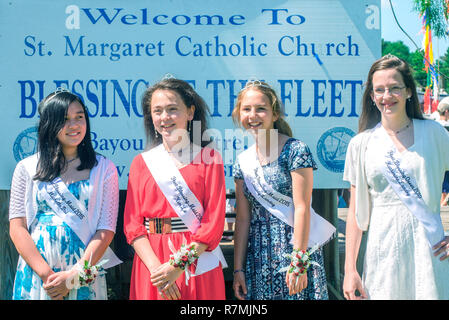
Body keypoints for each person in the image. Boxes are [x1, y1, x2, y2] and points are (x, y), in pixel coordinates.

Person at [343, 54, 449, 300]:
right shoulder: (361, 144)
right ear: (371, 96)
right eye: (379, 90)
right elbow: (355, 212)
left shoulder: (434, 134)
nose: (386, 96)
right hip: (383, 249)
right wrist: (350, 269)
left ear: (409, 91)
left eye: (394, 88)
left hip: (429, 250)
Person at [9, 88, 121, 300]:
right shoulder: (27, 167)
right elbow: (17, 228)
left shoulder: (104, 168)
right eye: (65, 119)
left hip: (82, 271)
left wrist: (73, 277)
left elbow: (106, 230)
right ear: (49, 124)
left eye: (79, 117)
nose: (74, 125)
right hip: (39, 274)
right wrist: (46, 275)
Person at [123, 77, 227, 300]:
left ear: (190, 112)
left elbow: (213, 223)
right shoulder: (141, 163)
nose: (164, 117)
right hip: (152, 262)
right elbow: (133, 226)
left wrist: (177, 267)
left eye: (172, 109)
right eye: (157, 111)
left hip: (195, 259)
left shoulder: (210, 159)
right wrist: (158, 272)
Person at [231, 80, 335, 300]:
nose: (253, 115)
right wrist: (238, 269)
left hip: (295, 250)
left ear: (275, 114)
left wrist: (298, 261)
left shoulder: (296, 150)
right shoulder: (242, 162)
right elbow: (242, 219)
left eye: (261, 109)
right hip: (258, 256)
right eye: (246, 109)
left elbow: (302, 208)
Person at [436, 98, 449, 206]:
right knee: (445, 186)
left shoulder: (432, 125)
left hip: (435, 159)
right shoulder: (446, 127)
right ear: (446, 112)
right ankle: (443, 204)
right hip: (445, 159)